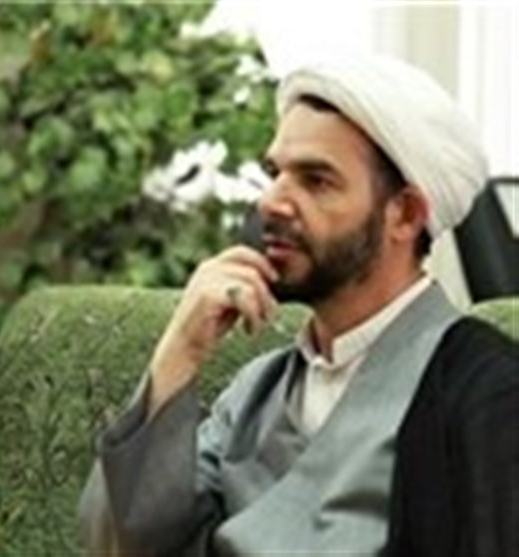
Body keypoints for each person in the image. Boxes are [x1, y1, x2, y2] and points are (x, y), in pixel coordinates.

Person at [78, 53, 518, 557]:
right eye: (275, 173)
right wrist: (180, 349)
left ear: (405, 214)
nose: (271, 202)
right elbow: (121, 547)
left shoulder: (488, 393)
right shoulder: (256, 393)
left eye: (316, 180)